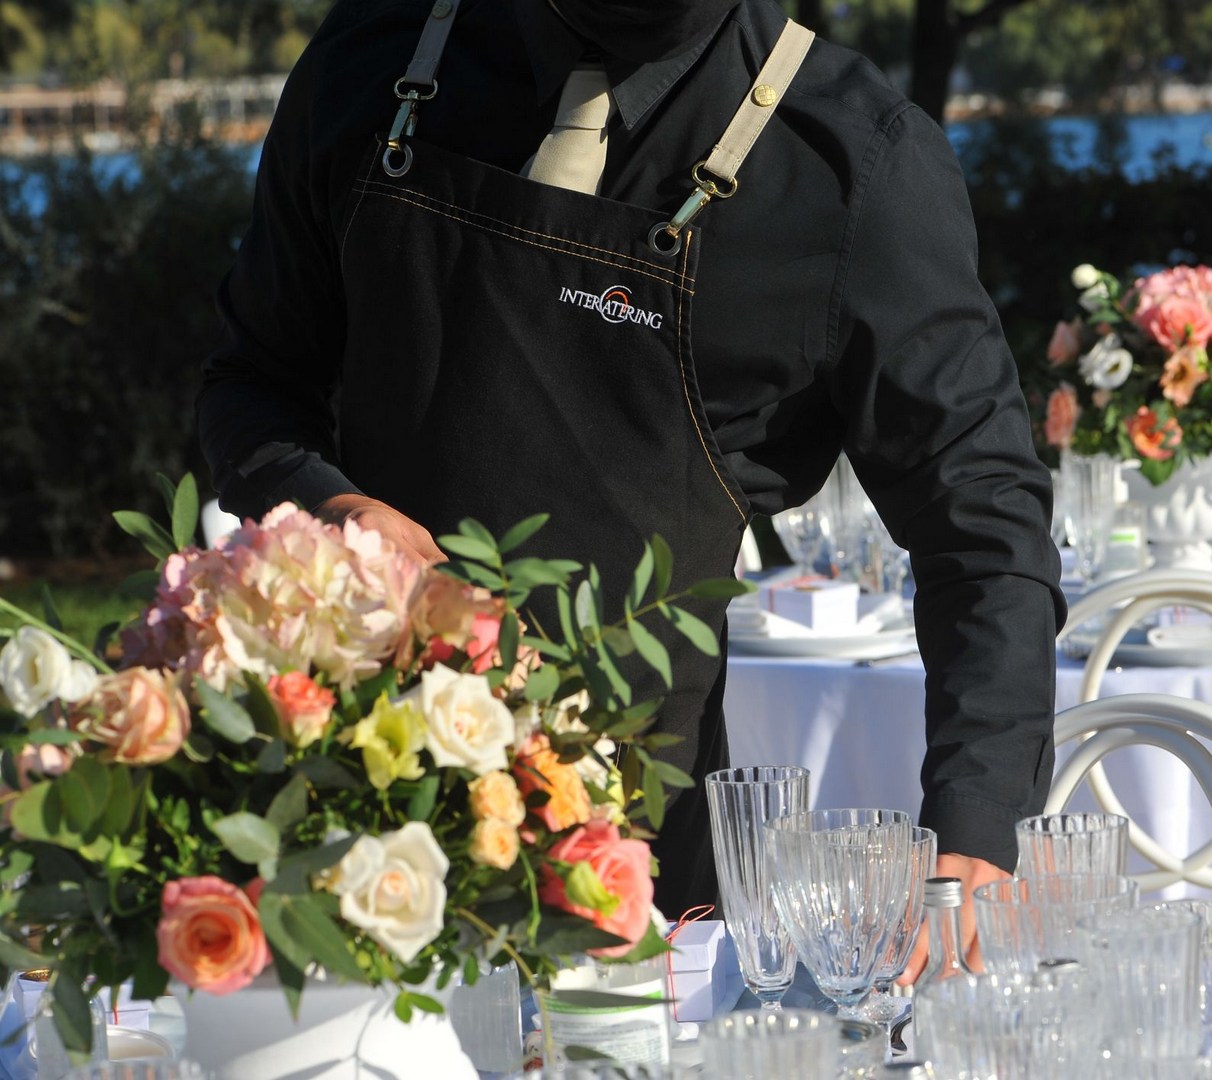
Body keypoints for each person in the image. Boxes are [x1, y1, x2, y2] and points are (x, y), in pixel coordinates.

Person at [196, 0, 1065, 967]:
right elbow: (250, 385)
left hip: (639, 877)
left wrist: (977, 818)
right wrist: (337, 506)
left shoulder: (851, 160)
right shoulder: (375, 50)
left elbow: (983, 524)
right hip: (343, 816)